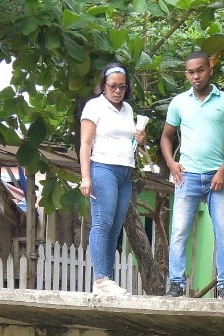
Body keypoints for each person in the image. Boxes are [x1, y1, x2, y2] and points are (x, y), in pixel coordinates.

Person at [160, 51, 224, 299]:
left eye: (200, 70)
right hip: (187, 177)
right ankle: (176, 284)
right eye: (191, 72)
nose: (196, 76)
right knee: (179, 232)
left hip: (216, 177)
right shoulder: (179, 102)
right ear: (186, 74)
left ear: (210, 70)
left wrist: (222, 171)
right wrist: (171, 163)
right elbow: (166, 136)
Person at [80, 63, 147, 296]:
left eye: (122, 87)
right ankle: (100, 279)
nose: (117, 91)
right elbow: (85, 143)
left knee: (115, 228)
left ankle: (106, 280)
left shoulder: (127, 109)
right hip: (103, 168)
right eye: (113, 86)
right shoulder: (94, 106)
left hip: (125, 171)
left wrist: (140, 139)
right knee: (102, 223)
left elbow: (129, 141)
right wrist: (86, 177)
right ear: (104, 85)